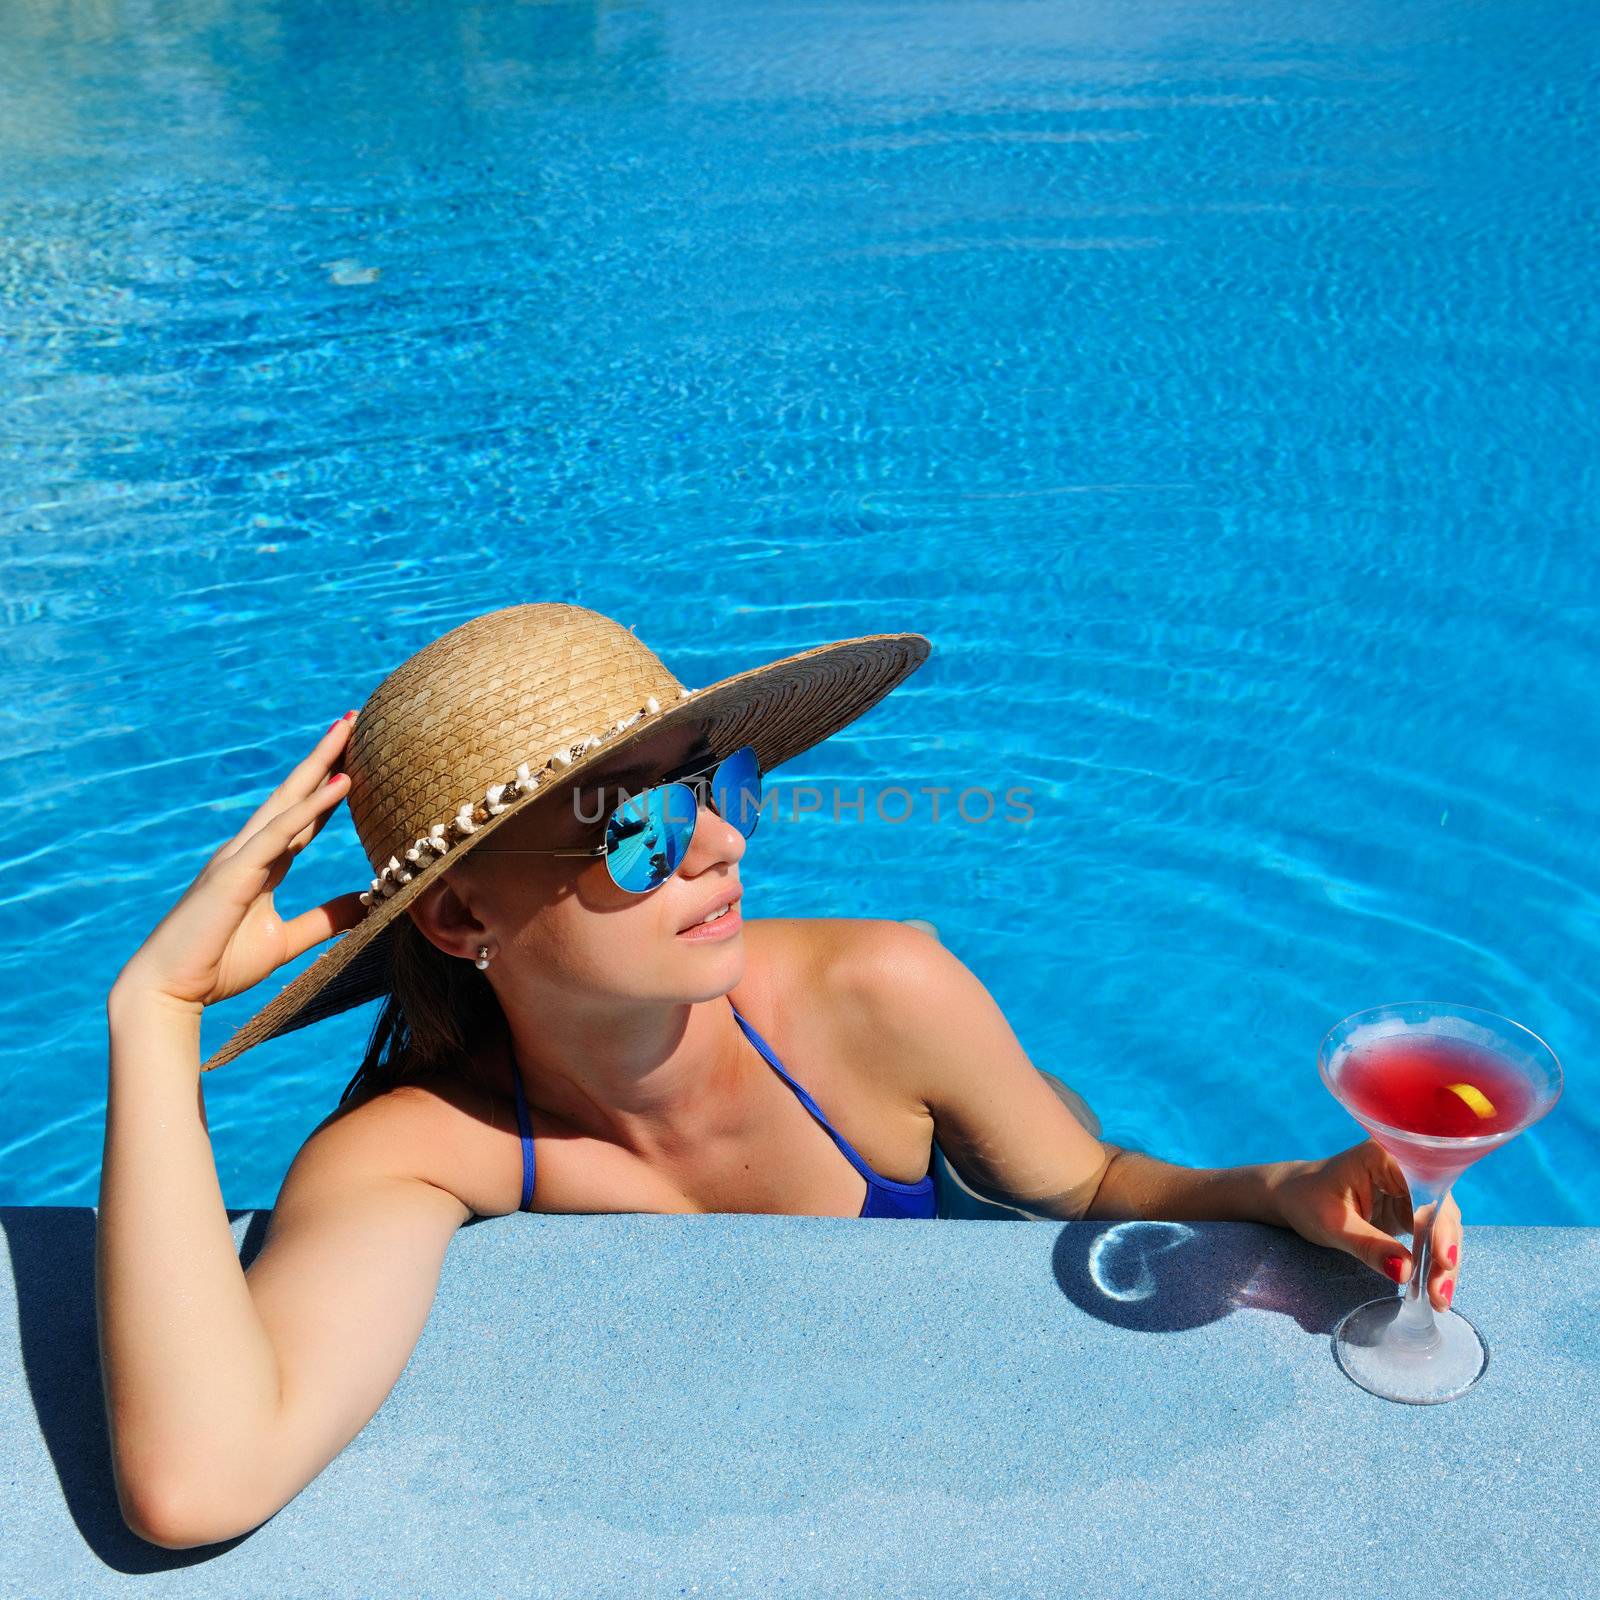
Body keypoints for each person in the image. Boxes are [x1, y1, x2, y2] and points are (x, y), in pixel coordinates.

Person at [98, 602, 1462, 1551]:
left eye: (718, 785)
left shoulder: (880, 995)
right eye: (630, 830)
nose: (715, 851)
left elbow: (1088, 1183)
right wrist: (154, 1023)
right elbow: (198, 1481)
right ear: (462, 924)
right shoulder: (421, 1149)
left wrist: (1286, 1186)